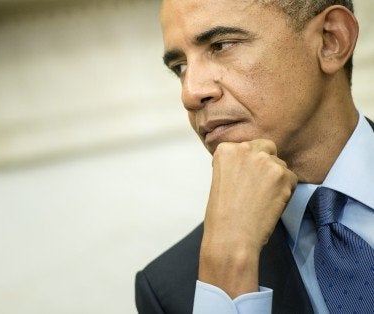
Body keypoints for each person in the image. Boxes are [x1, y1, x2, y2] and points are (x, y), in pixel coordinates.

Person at [135, 0, 374, 313]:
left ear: (331, 40)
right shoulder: (174, 291)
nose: (190, 93)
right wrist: (227, 275)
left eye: (221, 45)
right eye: (179, 67)